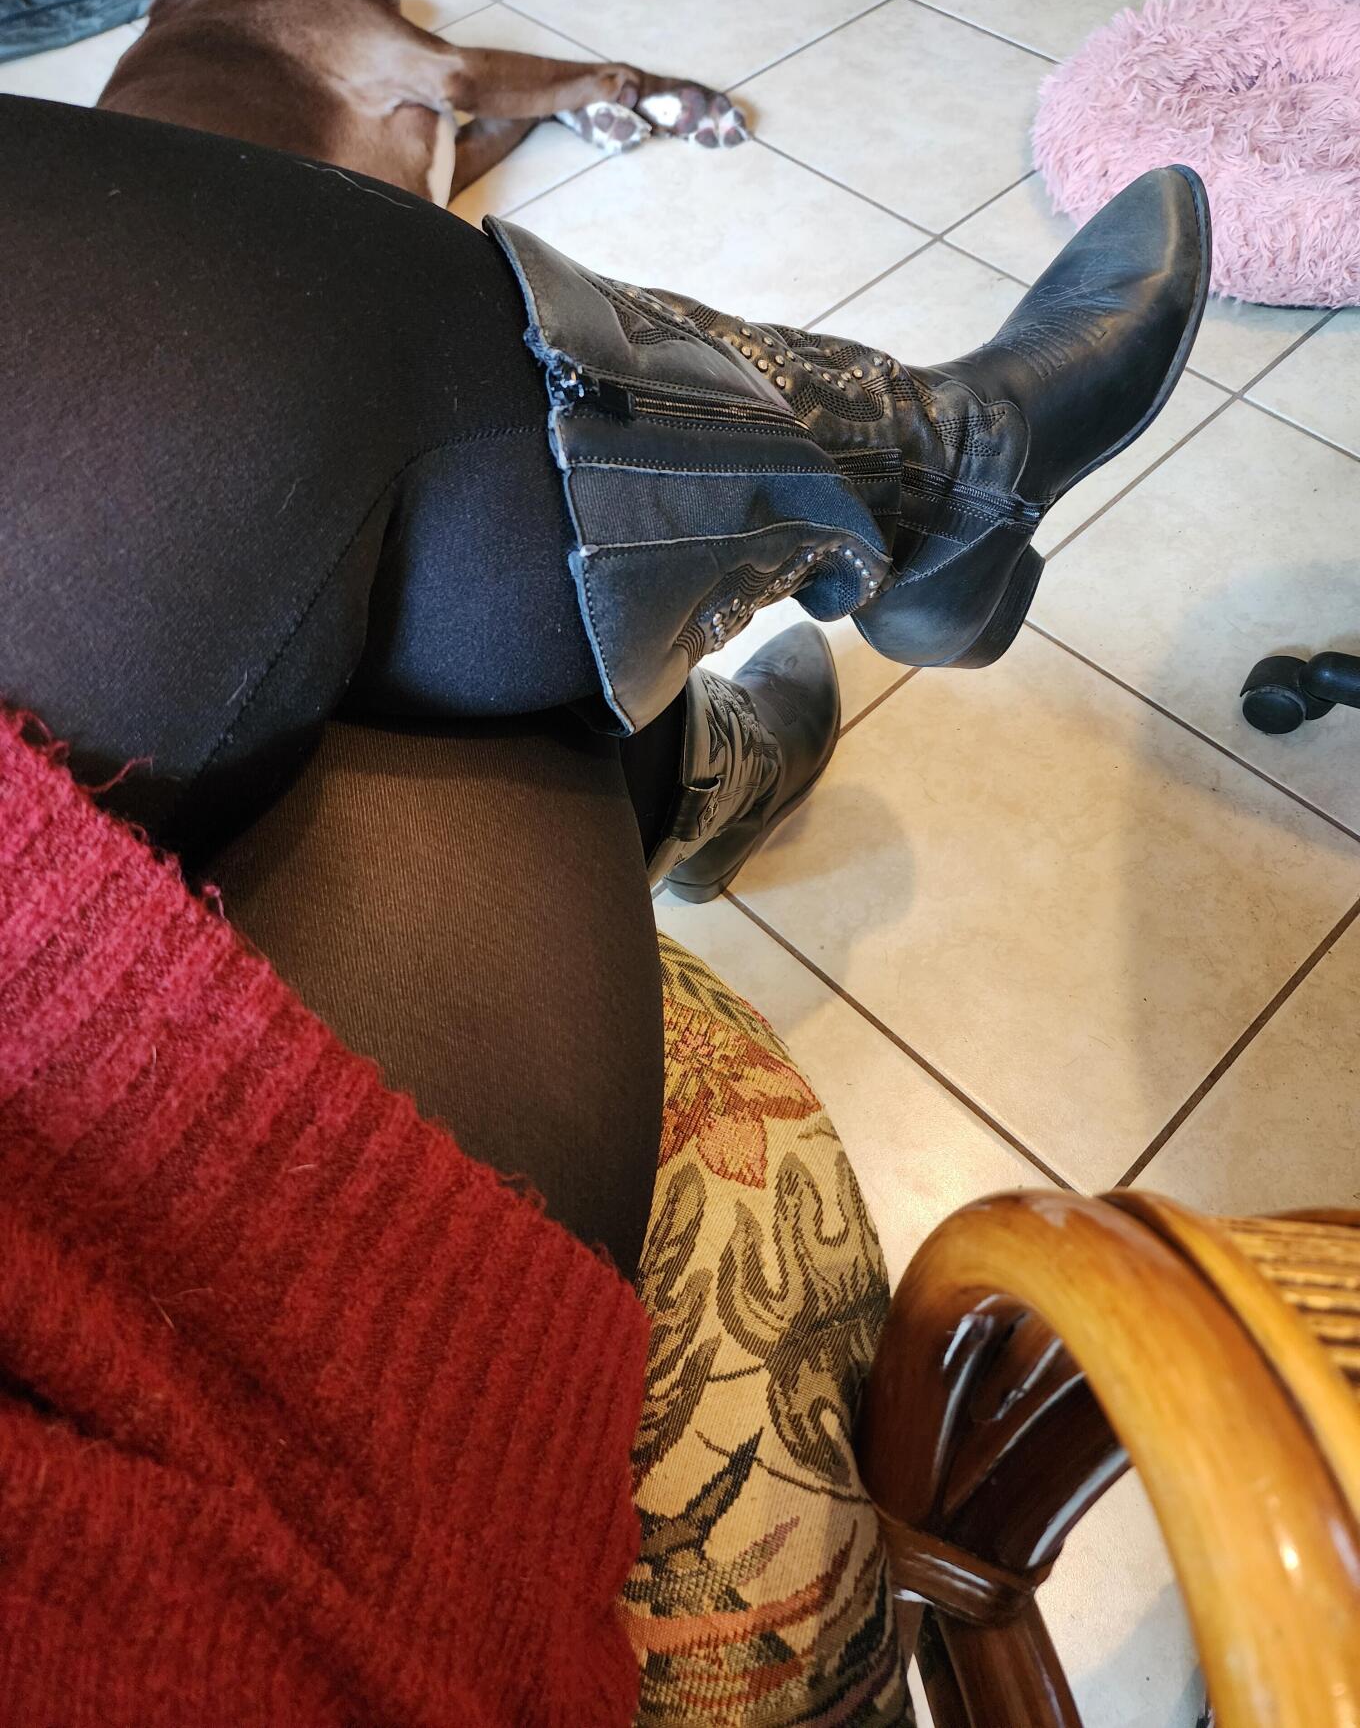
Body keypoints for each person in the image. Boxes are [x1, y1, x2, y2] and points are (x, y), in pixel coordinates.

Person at [0, 91, 1207, 1279]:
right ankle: (923, 497)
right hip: (181, 1286)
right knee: (483, 615)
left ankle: (849, 589)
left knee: (363, 483)